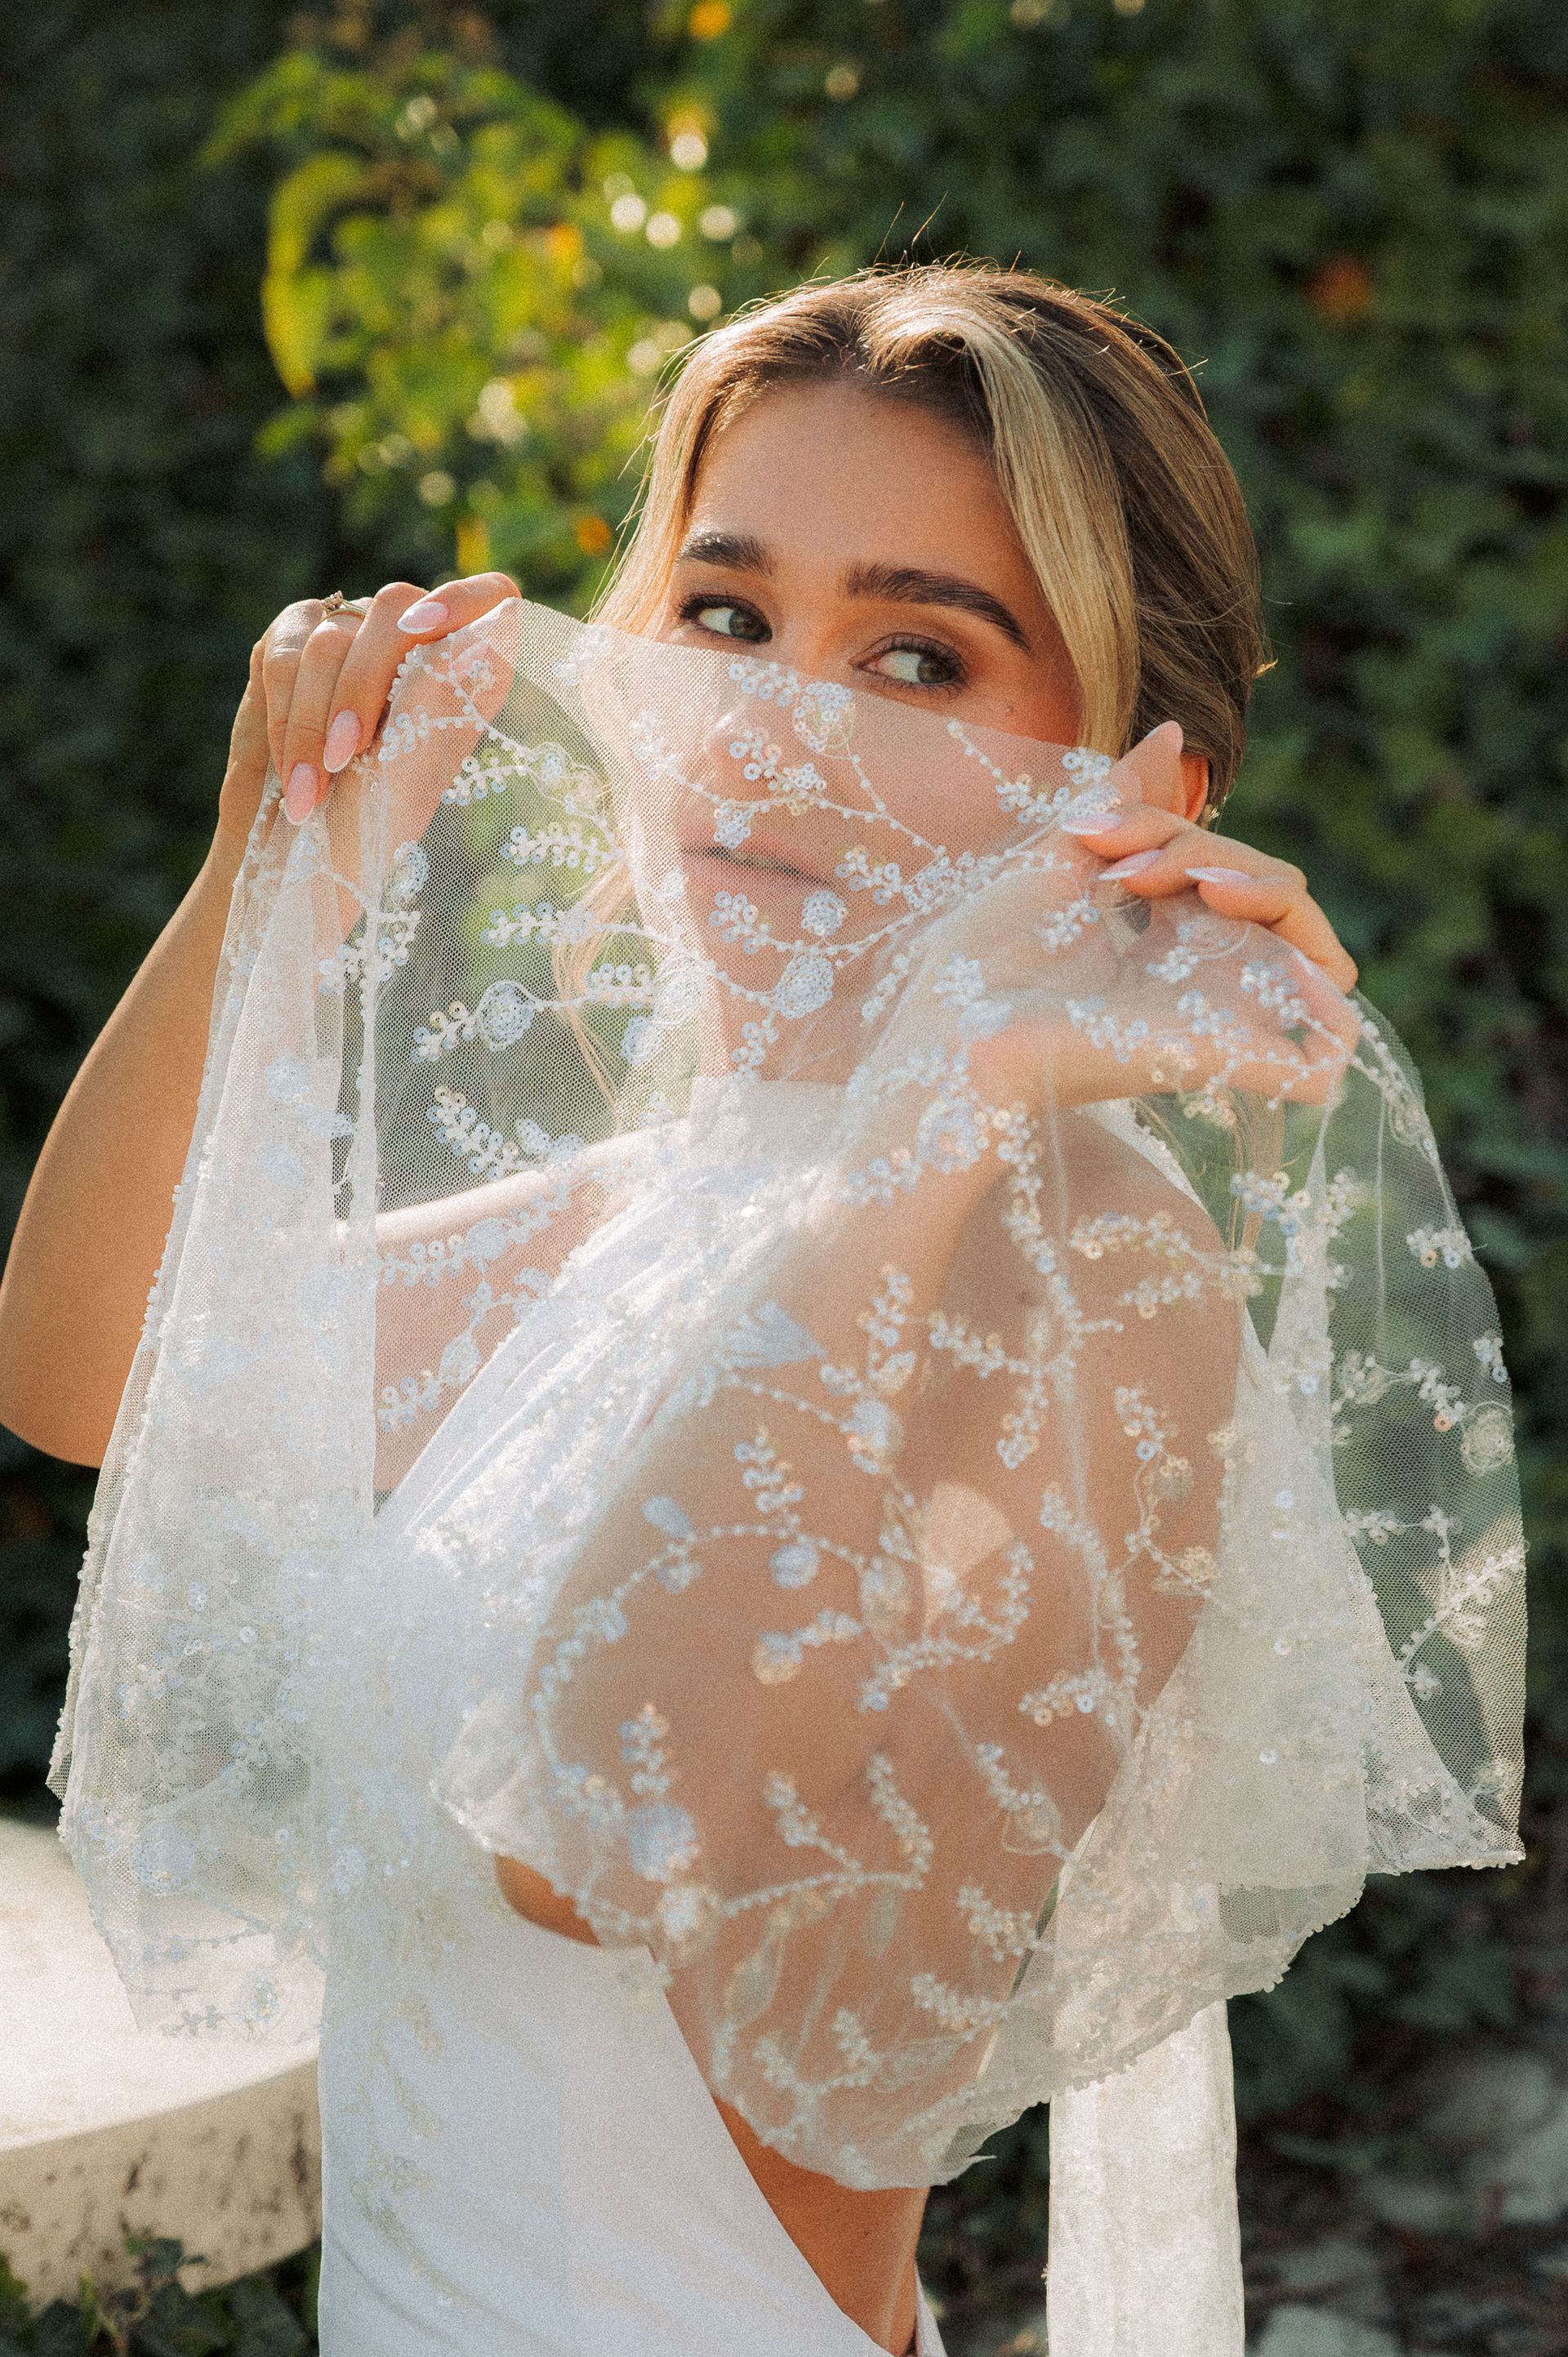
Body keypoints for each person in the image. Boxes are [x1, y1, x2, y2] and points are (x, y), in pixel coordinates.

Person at [0, 268, 1524, 2357]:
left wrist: (949, 1103)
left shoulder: (1096, 1280)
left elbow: (607, 1825)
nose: (771, 727)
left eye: (915, 656)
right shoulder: (660, 1207)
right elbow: (90, 1372)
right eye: (723, 619)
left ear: (1136, 787)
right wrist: (282, 863)